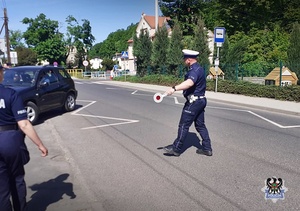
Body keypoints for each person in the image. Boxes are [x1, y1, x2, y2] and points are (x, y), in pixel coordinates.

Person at [0, 65, 48, 211]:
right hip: (10, 140)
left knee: (1, 188)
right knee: (17, 180)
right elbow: (24, 124)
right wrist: (40, 144)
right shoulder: (10, 94)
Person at [163, 49, 213, 157]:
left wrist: (174, 88)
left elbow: (189, 83)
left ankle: (176, 149)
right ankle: (207, 148)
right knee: (200, 125)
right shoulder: (199, 68)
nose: (183, 60)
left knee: (183, 125)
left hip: (193, 102)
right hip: (201, 100)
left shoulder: (194, 71)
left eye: (184, 58)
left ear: (189, 59)